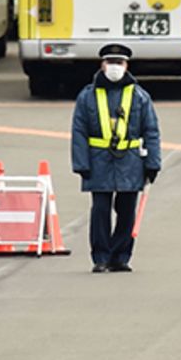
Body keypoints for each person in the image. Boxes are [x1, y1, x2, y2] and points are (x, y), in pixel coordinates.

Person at [71, 45, 161, 273]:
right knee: (100, 210)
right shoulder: (87, 95)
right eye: (110, 62)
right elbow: (79, 131)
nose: (114, 67)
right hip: (98, 161)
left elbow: (151, 130)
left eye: (119, 63)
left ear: (126, 66)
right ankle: (100, 257)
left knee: (127, 211)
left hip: (130, 162)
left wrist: (153, 163)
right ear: (101, 65)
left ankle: (120, 256)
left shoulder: (140, 96)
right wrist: (81, 164)